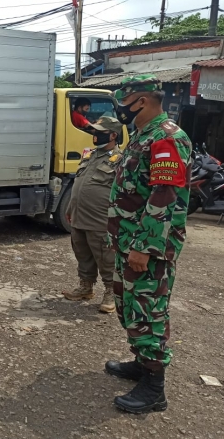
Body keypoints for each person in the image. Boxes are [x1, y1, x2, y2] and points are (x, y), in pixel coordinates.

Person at [106, 74, 192, 414]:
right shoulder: (142, 135)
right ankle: (142, 364)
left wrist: (145, 246)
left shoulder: (167, 138)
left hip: (147, 246)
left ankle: (154, 388)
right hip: (129, 240)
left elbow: (164, 195)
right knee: (129, 307)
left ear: (139, 101)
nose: (120, 110)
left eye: (122, 102)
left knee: (148, 311)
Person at [63, 116, 123, 313]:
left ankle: (110, 292)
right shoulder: (90, 155)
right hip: (80, 215)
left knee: (105, 257)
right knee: (82, 253)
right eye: (94, 132)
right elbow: (79, 184)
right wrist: (71, 208)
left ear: (113, 135)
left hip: (100, 219)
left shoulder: (121, 160)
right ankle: (85, 287)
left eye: (100, 132)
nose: (95, 135)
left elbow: (123, 193)